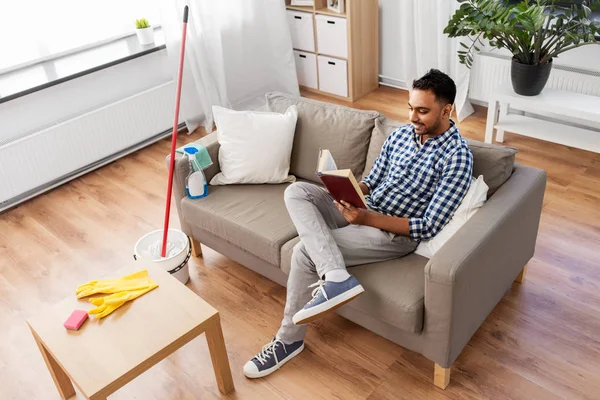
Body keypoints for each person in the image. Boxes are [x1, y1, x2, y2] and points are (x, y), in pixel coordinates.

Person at [243, 69, 474, 378]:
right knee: (297, 191)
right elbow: (372, 181)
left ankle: (288, 341)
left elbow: (427, 226)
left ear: (446, 110)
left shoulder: (457, 157)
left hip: (391, 233)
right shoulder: (402, 135)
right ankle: (337, 276)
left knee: (304, 252)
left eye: (422, 110)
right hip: (362, 209)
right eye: (410, 107)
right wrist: (344, 190)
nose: (413, 116)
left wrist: (366, 218)